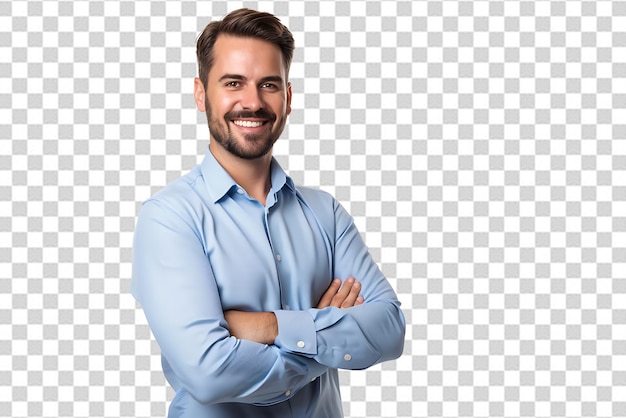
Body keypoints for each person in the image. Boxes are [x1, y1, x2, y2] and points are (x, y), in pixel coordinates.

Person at [131, 8, 405, 417]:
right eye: (233, 82)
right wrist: (324, 340)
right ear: (201, 93)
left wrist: (271, 327)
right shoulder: (170, 219)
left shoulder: (325, 213)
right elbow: (209, 372)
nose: (253, 102)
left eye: (269, 85)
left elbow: (389, 330)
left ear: (288, 98)